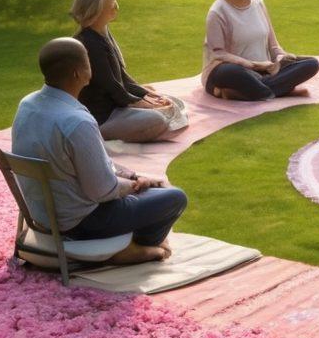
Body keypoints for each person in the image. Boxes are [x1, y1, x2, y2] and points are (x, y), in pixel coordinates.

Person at [11, 38, 188, 264]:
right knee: (174, 197)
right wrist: (134, 186)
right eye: (88, 61)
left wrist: (133, 176)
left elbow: (96, 165)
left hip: (42, 214)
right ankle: (137, 248)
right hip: (80, 222)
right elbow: (103, 191)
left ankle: (132, 240)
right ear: (78, 73)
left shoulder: (27, 104)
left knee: (151, 188)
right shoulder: (76, 121)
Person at [70, 0, 188, 142]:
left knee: (173, 103)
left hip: (119, 107)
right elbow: (112, 87)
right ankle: (97, 136)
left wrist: (146, 94)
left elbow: (121, 76)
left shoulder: (103, 33)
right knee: (158, 119)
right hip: (104, 117)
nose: (116, 5)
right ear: (97, 3)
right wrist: (141, 103)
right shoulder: (88, 42)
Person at [202, 0, 319, 100]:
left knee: (311, 64)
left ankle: (250, 92)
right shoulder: (217, 12)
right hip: (235, 72)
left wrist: (282, 57)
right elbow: (218, 54)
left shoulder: (258, 3)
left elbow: (274, 45)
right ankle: (280, 89)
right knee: (229, 72)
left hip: (265, 71)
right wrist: (253, 65)